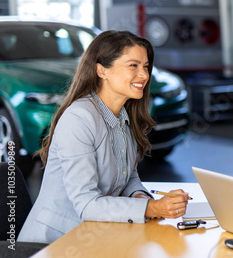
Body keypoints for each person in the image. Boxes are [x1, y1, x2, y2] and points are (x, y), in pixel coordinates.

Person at [18, 31, 189, 244]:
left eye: (145, 66)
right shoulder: (79, 118)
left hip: (95, 235)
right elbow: (87, 204)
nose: (144, 75)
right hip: (54, 242)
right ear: (102, 70)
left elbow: (129, 179)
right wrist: (151, 208)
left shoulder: (123, 117)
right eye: (133, 65)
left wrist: (141, 197)